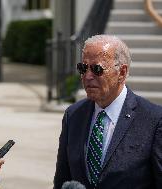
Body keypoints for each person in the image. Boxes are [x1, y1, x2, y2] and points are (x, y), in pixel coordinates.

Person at [53, 35, 162, 189]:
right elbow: (62, 180)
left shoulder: (154, 120)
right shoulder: (73, 115)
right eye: (83, 68)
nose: (87, 76)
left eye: (97, 69)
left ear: (122, 72)